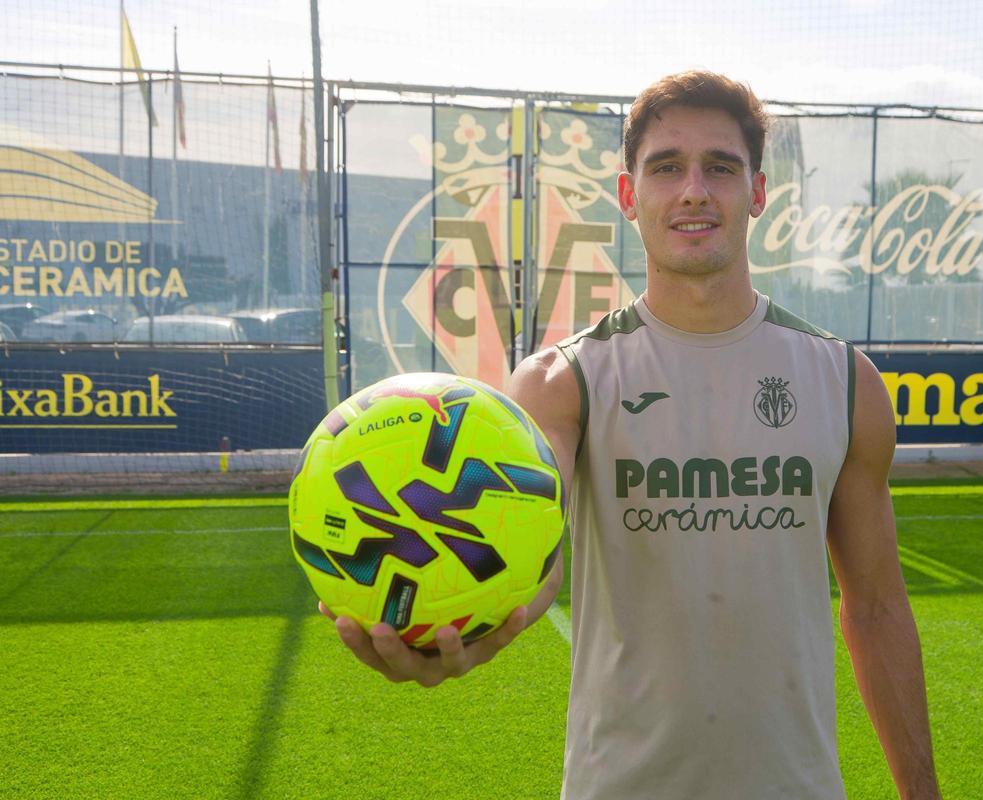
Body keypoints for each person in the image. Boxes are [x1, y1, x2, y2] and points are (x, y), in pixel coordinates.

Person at [324, 70, 941, 800]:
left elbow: (876, 608)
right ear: (628, 195)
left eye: (720, 168)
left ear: (757, 192)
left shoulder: (843, 380)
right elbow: (532, 552)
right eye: (666, 167)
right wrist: (473, 628)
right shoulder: (561, 381)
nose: (694, 191)